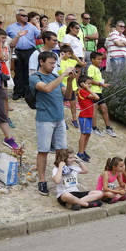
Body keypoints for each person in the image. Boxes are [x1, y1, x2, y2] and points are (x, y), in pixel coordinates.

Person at [30, 51, 76, 195]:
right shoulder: (34, 77)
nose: (53, 66)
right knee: (43, 151)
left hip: (59, 119)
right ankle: (42, 181)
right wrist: (63, 74)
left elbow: (67, 96)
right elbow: (47, 88)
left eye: (54, 63)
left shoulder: (55, 76)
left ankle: (61, 178)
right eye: (50, 63)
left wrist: (69, 81)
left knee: (61, 151)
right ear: (41, 62)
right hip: (44, 119)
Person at [6, 8, 41, 100]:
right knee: (18, 72)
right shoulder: (10, 27)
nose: (26, 17)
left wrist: (38, 26)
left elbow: (39, 36)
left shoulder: (31, 27)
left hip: (30, 51)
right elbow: (7, 40)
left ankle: (26, 92)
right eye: (23, 15)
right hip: (16, 52)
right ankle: (17, 92)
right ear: (17, 16)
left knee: (28, 72)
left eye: (26, 16)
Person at [0, 29, 20, 149]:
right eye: (1, 38)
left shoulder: (2, 47)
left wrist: (0, 45)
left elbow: (3, 58)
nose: (3, 41)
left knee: (1, 109)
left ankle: (9, 138)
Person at [87, 52, 115, 137]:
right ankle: (94, 128)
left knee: (104, 109)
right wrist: (101, 84)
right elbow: (89, 80)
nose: (100, 61)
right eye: (98, 59)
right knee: (94, 110)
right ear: (92, 59)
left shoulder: (97, 68)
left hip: (99, 92)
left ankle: (108, 128)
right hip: (93, 92)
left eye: (101, 59)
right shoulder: (91, 68)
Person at [58, 44, 84, 128]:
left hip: (72, 86)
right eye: (68, 53)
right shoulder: (59, 61)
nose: (70, 55)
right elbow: (59, 71)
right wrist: (60, 57)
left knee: (73, 104)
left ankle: (74, 119)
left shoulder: (71, 61)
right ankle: (62, 120)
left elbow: (82, 64)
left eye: (70, 53)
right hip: (63, 86)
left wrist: (73, 55)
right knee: (61, 104)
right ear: (63, 53)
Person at [75, 73, 99, 162]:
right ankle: (80, 153)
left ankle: (83, 151)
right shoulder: (82, 91)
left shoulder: (86, 91)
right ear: (82, 84)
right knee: (84, 134)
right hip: (84, 117)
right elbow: (97, 97)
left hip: (88, 116)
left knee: (88, 134)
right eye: (88, 83)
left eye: (90, 84)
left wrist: (88, 88)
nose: (90, 85)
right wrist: (88, 88)